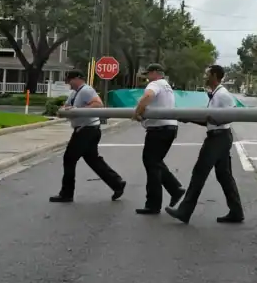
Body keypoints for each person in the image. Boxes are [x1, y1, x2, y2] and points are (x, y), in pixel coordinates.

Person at [165, 65, 244, 224]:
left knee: (199, 173)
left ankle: (184, 211)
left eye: (207, 74)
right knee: (224, 176)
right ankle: (236, 212)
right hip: (219, 136)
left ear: (215, 76)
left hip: (218, 138)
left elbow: (232, 114)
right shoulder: (216, 94)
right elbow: (209, 121)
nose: (205, 77)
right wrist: (190, 118)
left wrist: (216, 120)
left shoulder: (222, 95)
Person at [50, 70, 126, 203]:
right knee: (93, 160)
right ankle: (117, 183)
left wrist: (80, 109)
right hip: (85, 129)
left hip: (87, 130)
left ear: (78, 79)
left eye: (70, 80)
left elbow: (98, 104)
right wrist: (64, 110)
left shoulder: (86, 90)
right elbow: (67, 106)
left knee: (69, 159)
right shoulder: (75, 93)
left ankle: (66, 193)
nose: (68, 83)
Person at [132, 63, 185, 215]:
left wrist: (137, 112)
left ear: (156, 73)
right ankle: (175, 189)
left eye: (149, 73)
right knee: (155, 162)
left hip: (158, 129)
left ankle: (153, 204)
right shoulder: (167, 86)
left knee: (151, 163)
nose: (147, 76)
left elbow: (147, 96)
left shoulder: (155, 84)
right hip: (169, 127)